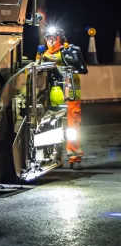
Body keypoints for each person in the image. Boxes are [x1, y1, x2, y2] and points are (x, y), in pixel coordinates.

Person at [36, 27, 83, 169]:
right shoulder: (44, 54)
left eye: (53, 38)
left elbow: (77, 70)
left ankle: (74, 157)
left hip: (70, 95)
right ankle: (56, 156)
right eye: (48, 37)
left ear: (59, 39)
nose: (50, 40)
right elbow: (35, 70)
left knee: (72, 125)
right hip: (51, 95)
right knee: (51, 124)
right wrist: (38, 56)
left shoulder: (67, 52)